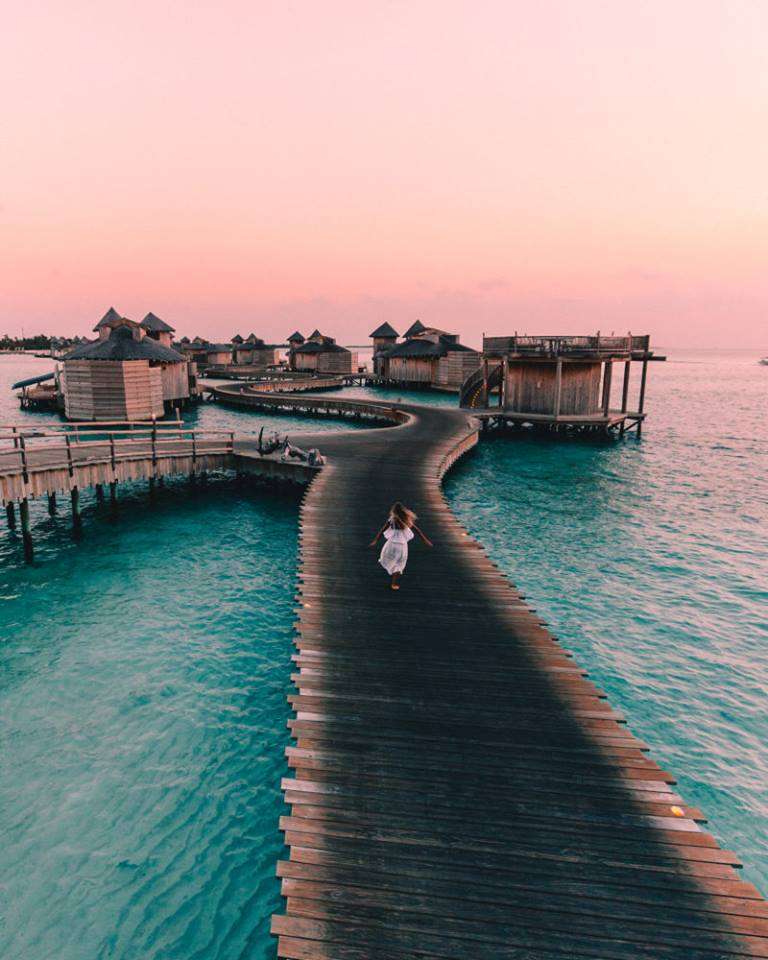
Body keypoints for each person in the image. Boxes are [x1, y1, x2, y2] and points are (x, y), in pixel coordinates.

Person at [369, 501, 433, 590]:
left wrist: (375, 540)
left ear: (393, 511)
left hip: (391, 544)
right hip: (402, 546)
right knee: (400, 564)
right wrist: (425, 540)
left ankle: (391, 570)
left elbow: (382, 530)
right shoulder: (406, 519)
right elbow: (417, 530)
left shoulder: (392, 519)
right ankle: (393, 584)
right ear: (403, 511)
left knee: (386, 558)